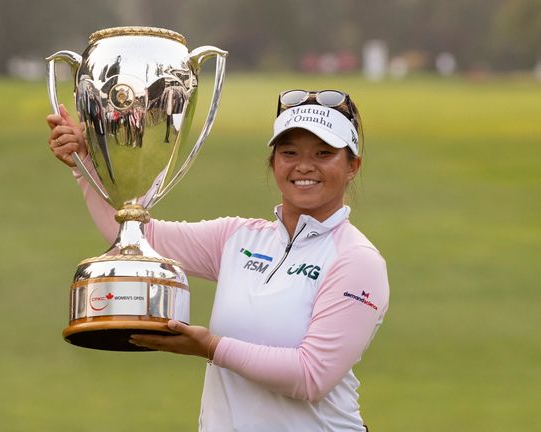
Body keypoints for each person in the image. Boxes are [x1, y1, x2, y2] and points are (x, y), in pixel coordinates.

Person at [46, 89, 389, 432]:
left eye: (324, 153)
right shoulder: (237, 238)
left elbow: (311, 377)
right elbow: (137, 239)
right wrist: (85, 163)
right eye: (289, 152)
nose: (304, 165)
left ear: (352, 166)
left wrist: (210, 347)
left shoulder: (357, 260)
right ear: (274, 162)